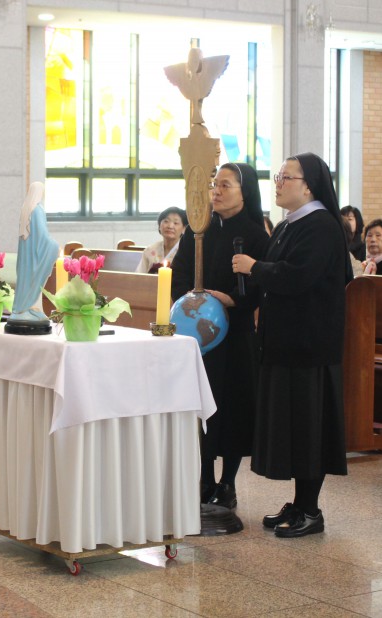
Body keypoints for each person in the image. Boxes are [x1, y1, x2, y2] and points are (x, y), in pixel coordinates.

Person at [232, 153, 351, 538]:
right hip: (284, 343)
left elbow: (299, 276)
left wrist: (254, 267)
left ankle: (311, 509)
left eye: (287, 177)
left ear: (309, 186)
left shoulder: (322, 225)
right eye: (277, 176)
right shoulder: (289, 224)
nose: (279, 183)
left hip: (309, 347)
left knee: (309, 429)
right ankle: (299, 503)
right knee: (294, 428)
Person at [170, 163, 268, 509]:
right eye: (215, 184)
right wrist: (188, 300)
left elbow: (261, 286)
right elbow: (180, 272)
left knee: (234, 408)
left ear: (245, 192)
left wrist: (234, 301)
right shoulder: (199, 230)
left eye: (226, 185)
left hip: (236, 334)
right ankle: (204, 478)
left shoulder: (256, 235)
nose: (217, 191)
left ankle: (228, 482)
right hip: (199, 337)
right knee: (203, 408)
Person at [6, 182, 58, 330]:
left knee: (26, 281)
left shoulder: (26, 209)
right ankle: (29, 308)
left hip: (25, 258)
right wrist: (53, 245)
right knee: (34, 281)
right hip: (35, 256)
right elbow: (42, 234)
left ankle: (23, 309)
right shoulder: (37, 209)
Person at [136, 207, 188, 273]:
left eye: (176, 223)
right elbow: (140, 275)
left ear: (184, 228)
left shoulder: (186, 251)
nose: (170, 226)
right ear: (159, 225)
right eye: (166, 221)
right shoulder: (150, 250)